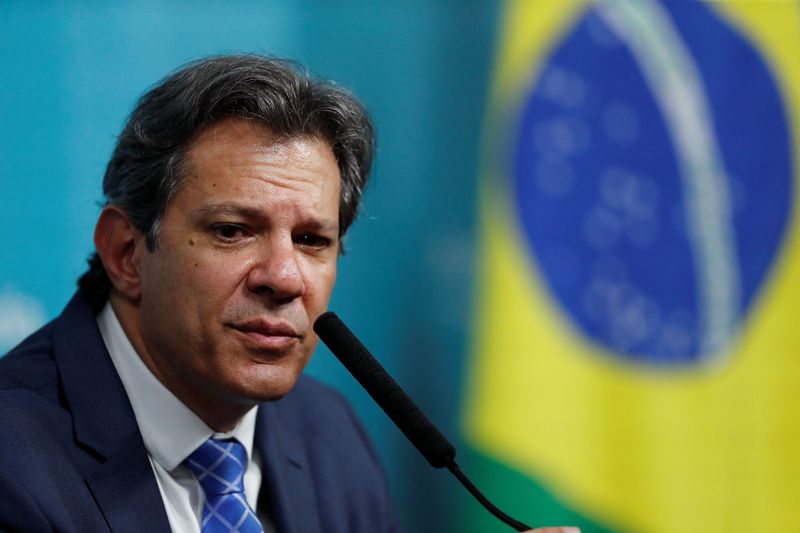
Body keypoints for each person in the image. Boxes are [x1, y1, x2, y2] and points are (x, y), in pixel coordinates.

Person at [0, 55, 577, 533]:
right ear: (127, 253)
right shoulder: (13, 464)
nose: (285, 277)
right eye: (233, 231)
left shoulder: (328, 436)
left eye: (312, 239)